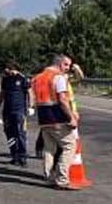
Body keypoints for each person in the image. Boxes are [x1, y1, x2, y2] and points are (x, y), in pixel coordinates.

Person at [32, 54, 79, 189]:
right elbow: (62, 100)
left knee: (49, 149)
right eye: (66, 65)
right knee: (69, 146)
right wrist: (71, 117)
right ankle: (62, 179)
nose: (67, 68)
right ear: (59, 64)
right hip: (57, 117)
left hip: (43, 118)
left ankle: (49, 177)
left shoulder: (38, 77)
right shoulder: (58, 77)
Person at [0, 62, 31, 166]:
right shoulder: (5, 79)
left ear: (11, 69)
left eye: (6, 69)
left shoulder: (22, 78)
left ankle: (22, 157)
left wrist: (30, 106)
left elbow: (30, 93)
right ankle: (14, 156)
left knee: (20, 133)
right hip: (7, 111)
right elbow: (2, 93)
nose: (4, 71)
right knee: (9, 133)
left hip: (19, 110)